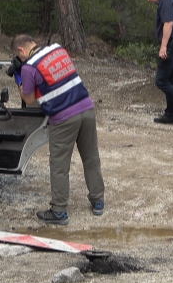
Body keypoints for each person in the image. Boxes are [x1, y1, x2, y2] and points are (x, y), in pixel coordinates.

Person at [12, 34, 105, 225]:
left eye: (19, 56)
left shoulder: (29, 67)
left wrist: (19, 78)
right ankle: (98, 201)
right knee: (91, 157)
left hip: (63, 117)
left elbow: (29, 100)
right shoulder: (58, 49)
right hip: (86, 107)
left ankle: (59, 211)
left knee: (59, 166)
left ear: (21, 50)